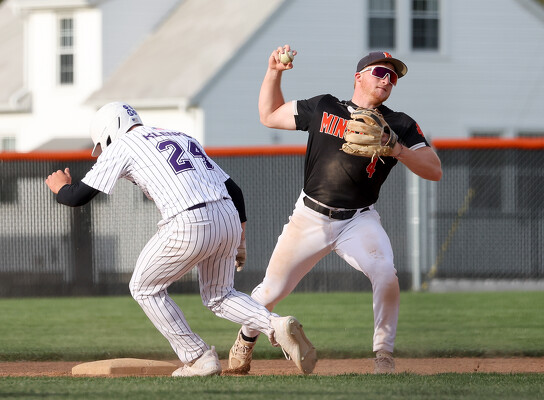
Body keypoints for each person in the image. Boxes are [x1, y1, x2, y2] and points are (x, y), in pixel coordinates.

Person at [44, 102, 317, 377]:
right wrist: (240, 240)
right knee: (220, 295)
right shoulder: (181, 136)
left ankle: (198, 357)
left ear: (108, 133)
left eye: (101, 146)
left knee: (143, 287)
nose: (102, 152)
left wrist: (60, 187)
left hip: (188, 220)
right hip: (227, 215)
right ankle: (275, 325)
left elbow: (75, 197)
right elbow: (234, 189)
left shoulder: (123, 144)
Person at [226, 47, 442, 375]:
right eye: (380, 72)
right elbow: (269, 116)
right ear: (359, 77)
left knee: (385, 273)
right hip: (309, 217)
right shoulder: (325, 107)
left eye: (393, 77)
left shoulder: (399, 124)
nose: (387, 80)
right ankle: (245, 340)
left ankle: (383, 353)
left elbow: (434, 169)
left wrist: (396, 148)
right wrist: (274, 73)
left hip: (358, 220)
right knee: (270, 291)